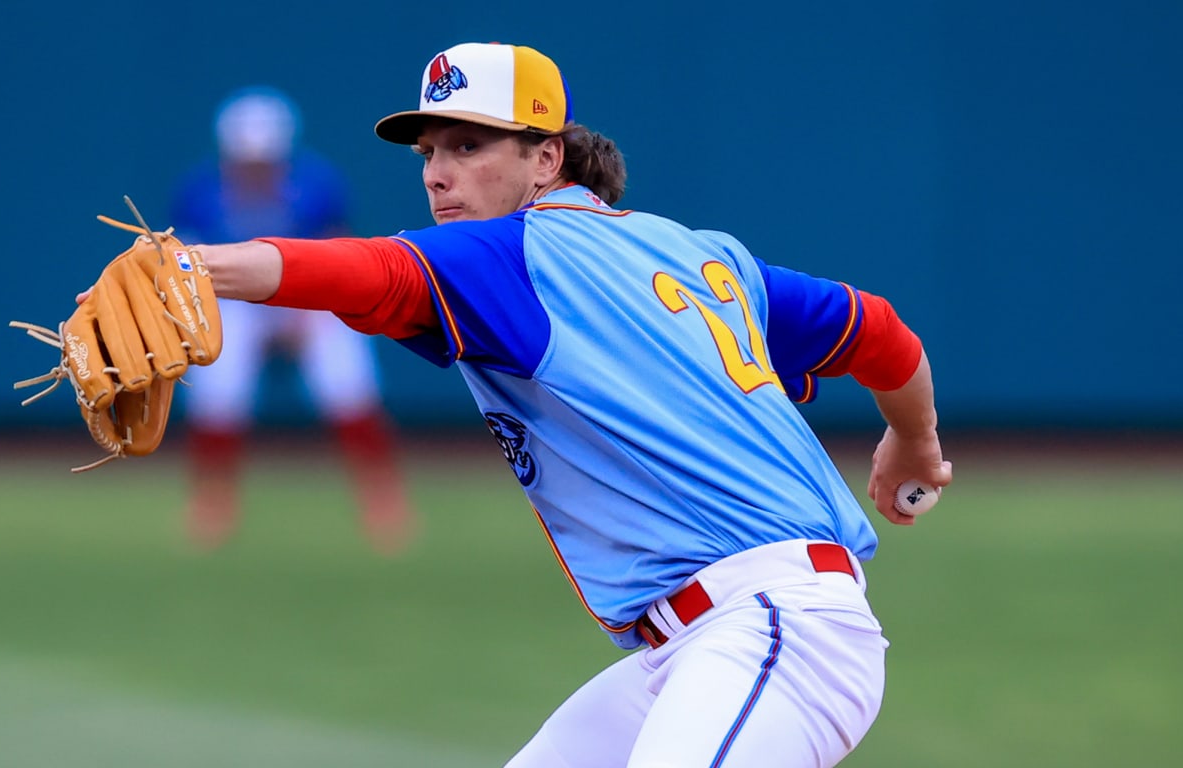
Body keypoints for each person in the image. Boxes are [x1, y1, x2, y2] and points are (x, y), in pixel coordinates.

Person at [178, 43, 949, 767]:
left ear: (546, 157)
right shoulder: (702, 254)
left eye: (469, 146)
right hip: (688, 650)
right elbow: (876, 330)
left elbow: (366, 272)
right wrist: (914, 438)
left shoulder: (510, 255)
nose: (438, 174)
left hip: (776, 631)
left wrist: (193, 267)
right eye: (429, 152)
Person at [170, 86, 413, 553]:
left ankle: (382, 499)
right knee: (217, 390)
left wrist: (305, 314)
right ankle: (211, 503)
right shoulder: (201, 192)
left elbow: (338, 248)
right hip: (234, 301)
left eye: (265, 158)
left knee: (348, 384)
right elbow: (186, 266)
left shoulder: (316, 184)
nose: (257, 167)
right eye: (248, 158)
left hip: (310, 294)